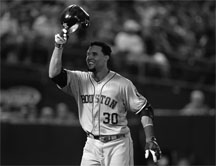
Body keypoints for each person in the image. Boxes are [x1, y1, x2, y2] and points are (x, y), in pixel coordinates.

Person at [48, 30, 161, 166]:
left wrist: (150, 139)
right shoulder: (80, 79)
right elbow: (54, 75)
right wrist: (58, 46)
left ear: (106, 57)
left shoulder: (122, 83)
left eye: (94, 54)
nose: (89, 57)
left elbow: (144, 108)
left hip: (118, 144)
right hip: (91, 144)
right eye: (88, 54)